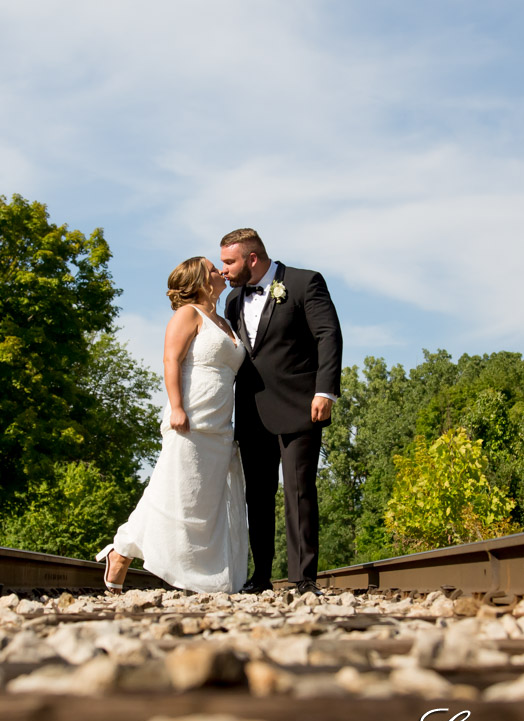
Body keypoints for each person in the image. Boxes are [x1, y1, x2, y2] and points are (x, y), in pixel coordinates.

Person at [96, 257, 248, 593]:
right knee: (173, 493)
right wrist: (177, 406)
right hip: (190, 419)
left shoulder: (224, 321)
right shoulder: (188, 314)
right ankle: (122, 550)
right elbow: (171, 359)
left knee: (203, 502)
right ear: (200, 280)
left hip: (220, 425)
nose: (220, 271)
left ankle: (134, 554)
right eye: (213, 269)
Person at [219, 228, 342, 595]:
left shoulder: (305, 283)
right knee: (257, 497)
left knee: (299, 492)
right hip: (251, 411)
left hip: (301, 406)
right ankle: (260, 577)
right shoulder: (232, 301)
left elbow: (328, 335)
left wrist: (325, 390)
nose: (223, 270)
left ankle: (303, 579)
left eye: (229, 262)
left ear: (252, 259)